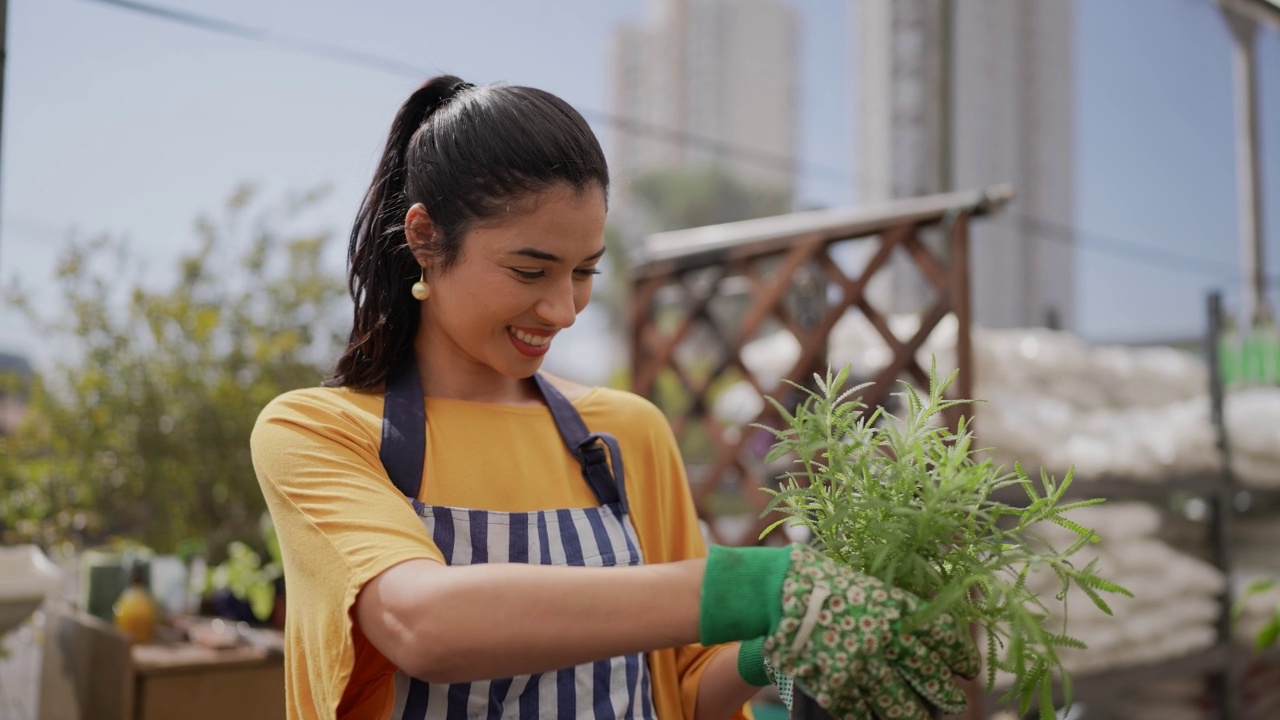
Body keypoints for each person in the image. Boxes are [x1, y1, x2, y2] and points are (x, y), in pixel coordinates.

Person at [251, 75, 977, 720]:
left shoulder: (624, 433)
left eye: (585, 271)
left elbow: (683, 692)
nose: (564, 310)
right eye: (531, 270)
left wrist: (775, 652)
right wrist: (760, 583)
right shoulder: (321, 432)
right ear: (425, 238)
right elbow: (423, 627)